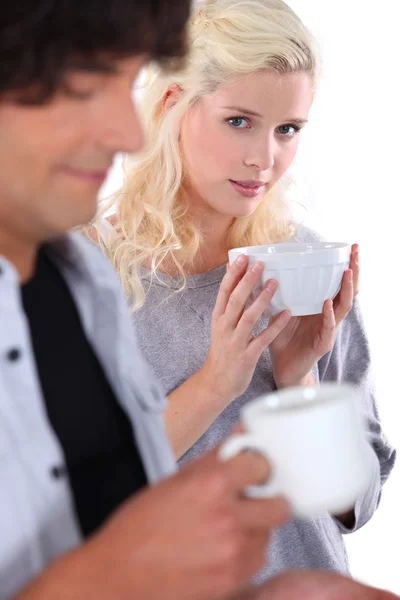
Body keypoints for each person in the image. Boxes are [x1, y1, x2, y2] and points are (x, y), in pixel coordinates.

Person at [0, 2, 396, 600]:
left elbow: (355, 505)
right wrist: (218, 380)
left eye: (287, 129)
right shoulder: (81, 271)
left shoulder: (310, 266)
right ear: (172, 107)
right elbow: (64, 500)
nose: (265, 158)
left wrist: (300, 383)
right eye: (240, 121)